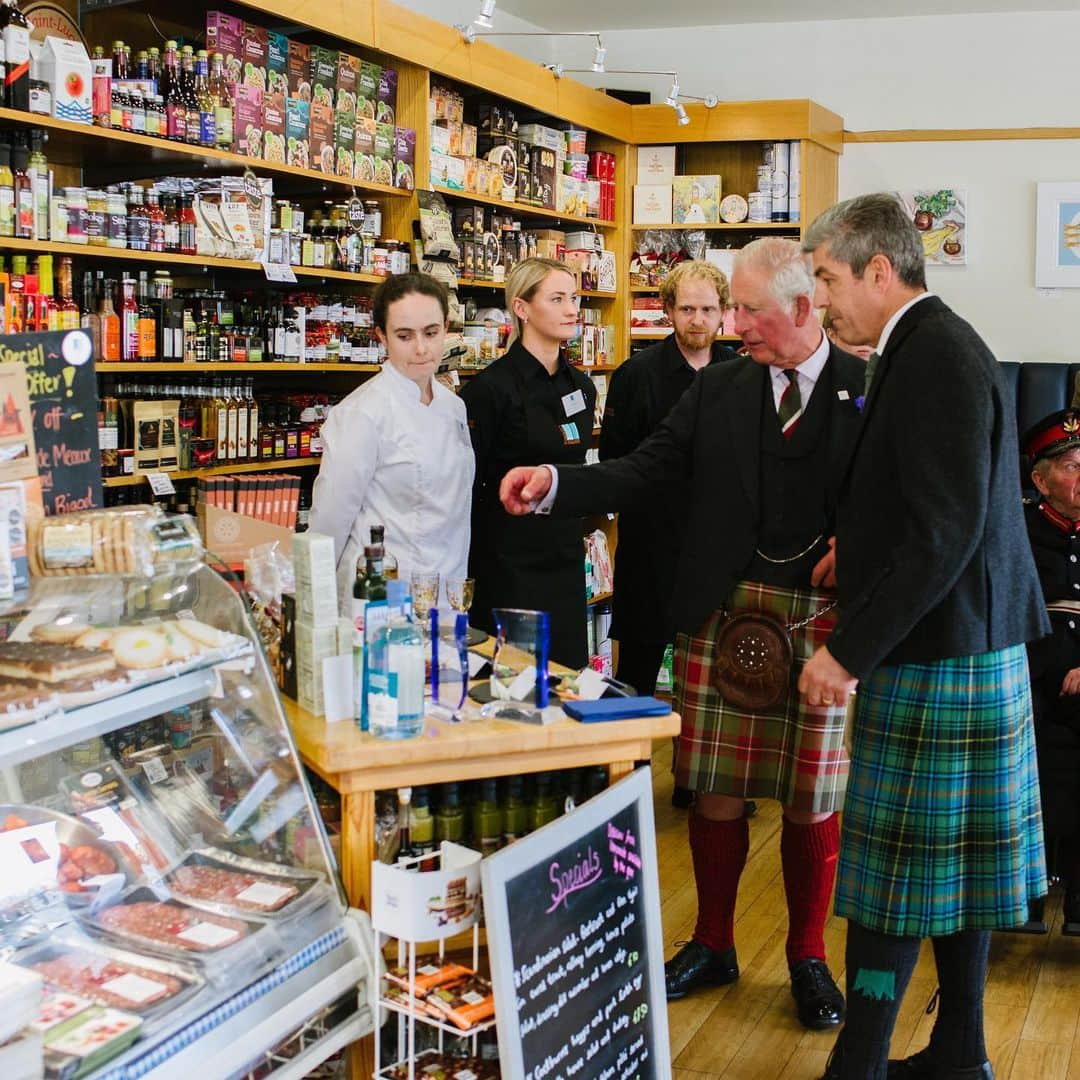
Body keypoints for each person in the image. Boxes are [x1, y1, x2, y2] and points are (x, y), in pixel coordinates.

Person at [499, 237, 867, 1032]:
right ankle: (713, 941)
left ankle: (808, 954)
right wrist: (558, 484)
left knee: (813, 797)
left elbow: (903, 492)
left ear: (804, 308)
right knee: (717, 787)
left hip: (822, 620)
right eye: (727, 308)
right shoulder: (725, 388)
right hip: (720, 604)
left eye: (747, 310)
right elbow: (646, 466)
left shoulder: (867, 388)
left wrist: (863, 546)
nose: (732, 325)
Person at [798, 193, 1049, 1080]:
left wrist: (845, 652)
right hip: (966, 643)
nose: (821, 300)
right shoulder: (923, 346)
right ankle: (960, 1052)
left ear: (878, 268)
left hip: (940, 650)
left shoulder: (935, 354)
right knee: (959, 872)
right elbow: (932, 507)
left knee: (894, 885)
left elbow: (944, 533)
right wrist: (852, 550)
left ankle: (859, 1066)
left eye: (827, 278)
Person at [599, 260, 735, 699]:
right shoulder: (636, 376)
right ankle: (632, 766)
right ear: (669, 310)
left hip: (718, 552)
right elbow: (614, 461)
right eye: (688, 309)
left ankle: (692, 769)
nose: (698, 320)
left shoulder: (740, 373)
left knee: (714, 684)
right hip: (650, 550)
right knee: (635, 678)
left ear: (723, 313)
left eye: (709, 310)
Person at [309, 272, 474, 614]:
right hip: (381, 598)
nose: (421, 348)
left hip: (447, 591)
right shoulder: (362, 413)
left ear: (447, 327)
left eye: (431, 333)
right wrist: (312, 606)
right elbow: (329, 524)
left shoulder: (453, 407)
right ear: (381, 336)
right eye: (404, 335)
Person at [461, 257, 596, 668]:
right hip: (508, 566)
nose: (572, 309)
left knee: (567, 680)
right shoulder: (489, 390)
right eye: (556, 299)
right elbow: (471, 486)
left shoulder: (583, 387)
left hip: (566, 560)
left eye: (572, 298)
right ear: (522, 308)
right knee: (512, 684)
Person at [1021, 410, 1080, 936]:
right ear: (1040, 481)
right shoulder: (1017, 530)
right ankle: (1028, 888)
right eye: (1071, 466)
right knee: (1033, 743)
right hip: (1030, 671)